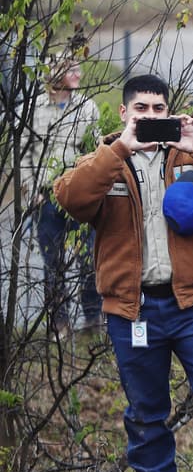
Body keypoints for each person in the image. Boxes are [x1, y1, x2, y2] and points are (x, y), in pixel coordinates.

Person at [52, 73, 193, 472]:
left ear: (169, 111)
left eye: (157, 109)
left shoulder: (192, 154)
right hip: (133, 309)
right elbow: (71, 199)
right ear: (124, 113)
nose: (149, 116)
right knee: (147, 415)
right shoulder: (105, 158)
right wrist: (120, 148)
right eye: (140, 109)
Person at [26, 58, 103, 332]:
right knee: (52, 261)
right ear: (53, 74)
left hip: (81, 198)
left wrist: (95, 190)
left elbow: (97, 149)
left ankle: (93, 319)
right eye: (70, 70)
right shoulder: (34, 108)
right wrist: (32, 192)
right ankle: (59, 323)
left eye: (78, 69)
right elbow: (24, 154)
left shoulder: (87, 106)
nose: (77, 74)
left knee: (89, 258)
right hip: (47, 198)